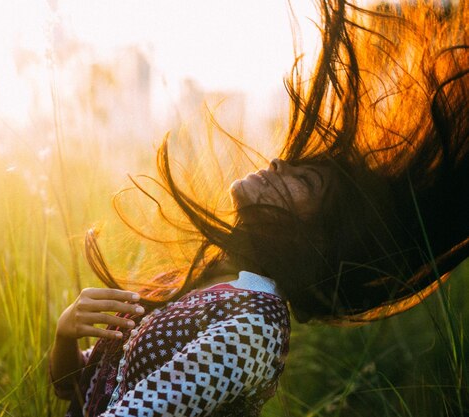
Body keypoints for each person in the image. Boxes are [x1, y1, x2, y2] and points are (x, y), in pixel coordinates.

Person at [51, 0, 469, 415]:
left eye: (304, 180)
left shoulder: (255, 325)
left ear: (320, 234)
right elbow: (76, 387)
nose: (278, 163)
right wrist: (65, 334)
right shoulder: (206, 278)